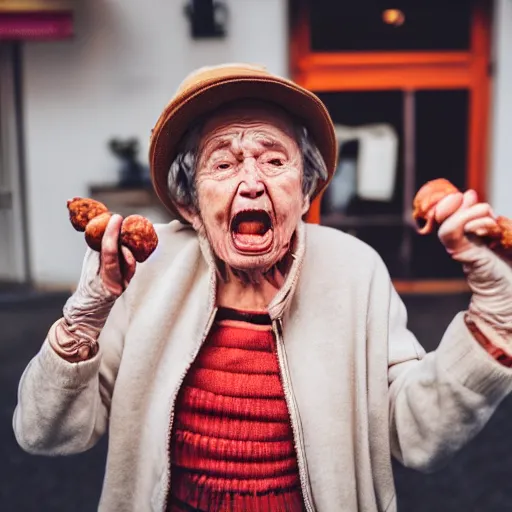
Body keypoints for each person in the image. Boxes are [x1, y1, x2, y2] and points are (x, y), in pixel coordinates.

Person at [13, 64, 512, 512]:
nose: (252, 183)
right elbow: (46, 435)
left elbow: (417, 435)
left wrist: (495, 316)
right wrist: (85, 316)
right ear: (190, 202)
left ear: (306, 188)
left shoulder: (355, 270)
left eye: (274, 161)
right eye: (223, 164)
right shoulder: (146, 270)